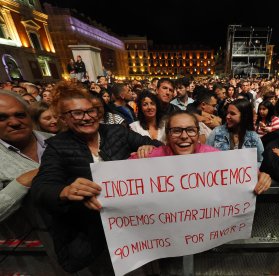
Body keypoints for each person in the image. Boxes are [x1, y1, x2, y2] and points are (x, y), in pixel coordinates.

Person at [30, 81, 163, 274]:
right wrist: (65, 191)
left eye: (91, 111)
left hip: (133, 226)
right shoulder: (57, 146)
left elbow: (157, 145)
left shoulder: (117, 132)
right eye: (77, 113)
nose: (87, 117)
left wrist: (149, 147)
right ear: (64, 119)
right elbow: (41, 187)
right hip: (93, 233)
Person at [134, 110, 271, 194]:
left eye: (190, 130)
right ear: (168, 135)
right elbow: (120, 176)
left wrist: (261, 176)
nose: (184, 136)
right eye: (176, 130)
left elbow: (242, 171)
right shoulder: (153, 155)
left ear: (198, 134)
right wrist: (144, 153)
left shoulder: (212, 155)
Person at [0, 90, 53, 222]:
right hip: (32, 240)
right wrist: (22, 182)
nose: (14, 122)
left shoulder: (58, 141)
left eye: (20, 115)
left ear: (29, 116)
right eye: (2, 118)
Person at [207, 99, 264, 167]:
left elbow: (261, 160)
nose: (227, 116)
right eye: (227, 113)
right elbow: (206, 155)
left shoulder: (254, 137)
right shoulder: (217, 132)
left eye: (232, 114)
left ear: (244, 116)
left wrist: (249, 168)